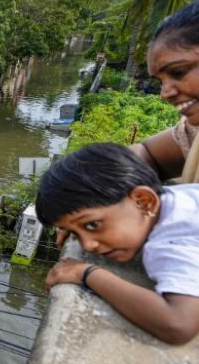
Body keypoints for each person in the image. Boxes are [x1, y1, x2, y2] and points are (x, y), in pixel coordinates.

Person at [36, 142, 199, 345]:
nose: (87, 246)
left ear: (144, 201)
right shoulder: (183, 199)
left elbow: (178, 324)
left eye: (93, 224)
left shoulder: (170, 243)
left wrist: (86, 273)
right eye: (75, 234)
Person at [134, 0, 199, 183]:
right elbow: (146, 153)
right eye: (160, 81)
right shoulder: (194, 132)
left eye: (178, 72)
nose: (165, 94)